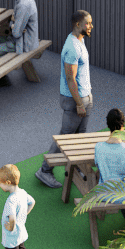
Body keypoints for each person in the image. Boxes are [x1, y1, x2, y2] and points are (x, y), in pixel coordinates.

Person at [42, 11, 95, 185]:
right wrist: (80, 103)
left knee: (80, 135)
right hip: (75, 101)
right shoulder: (72, 48)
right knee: (65, 137)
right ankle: (45, 170)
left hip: (85, 97)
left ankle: (76, 167)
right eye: (88, 23)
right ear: (77, 24)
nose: (91, 26)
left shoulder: (80, 40)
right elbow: (70, 78)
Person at [0, 0, 43, 78]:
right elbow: (14, 18)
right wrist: (14, 23)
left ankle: (1, 81)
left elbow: (16, 33)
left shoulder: (23, 4)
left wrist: (13, 25)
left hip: (24, 44)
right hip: (28, 39)